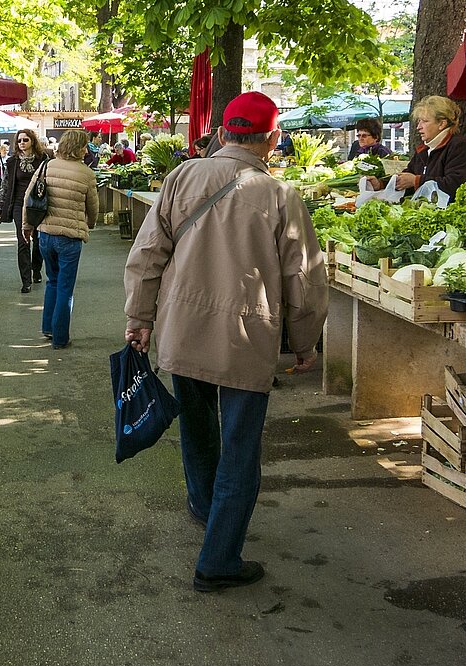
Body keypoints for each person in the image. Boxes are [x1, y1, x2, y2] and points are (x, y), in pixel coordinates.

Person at [123, 91, 329, 592]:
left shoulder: (181, 177)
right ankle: (218, 559)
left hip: (183, 329)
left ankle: (204, 505)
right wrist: (305, 343)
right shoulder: (281, 196)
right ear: (273, 140)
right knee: (241, 449)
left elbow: (148, 253)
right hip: (245, 337)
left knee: (196, 430)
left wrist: (139, 317)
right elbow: (304, 278)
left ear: (220, 133)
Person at [25, 129, 97, 350]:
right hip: (70, 237)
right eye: (84, 146)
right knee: (65, 287)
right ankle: (60, 337)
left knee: (52, 282)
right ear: (78, 148)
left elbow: (30, 196)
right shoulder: (86, 174)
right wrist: (90, 224)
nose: (86, 150)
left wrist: (27, 226)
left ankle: (48, 327)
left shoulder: (46, 166)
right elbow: (93, 207)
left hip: (46, 234)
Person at [367, 95, 466, 202]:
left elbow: (456, 185)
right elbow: (407, 176)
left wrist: (416, 181)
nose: (418, 127)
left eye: (425, 121)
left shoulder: (459, 146)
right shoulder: (426, 149)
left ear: (441, 124)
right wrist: (381, 184)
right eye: (419, 121)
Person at [0, 129, 48, 293]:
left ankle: (36, 269)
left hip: (38, 205)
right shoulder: (12, 162)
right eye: (19, 141)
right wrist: (0, 208)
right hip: (19, 205)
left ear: (32, 141)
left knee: (38, 241)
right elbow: (5, 185)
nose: (22, 143)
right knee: (23, 241)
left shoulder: (43, 159)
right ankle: (26, 281)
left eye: (25, 140)